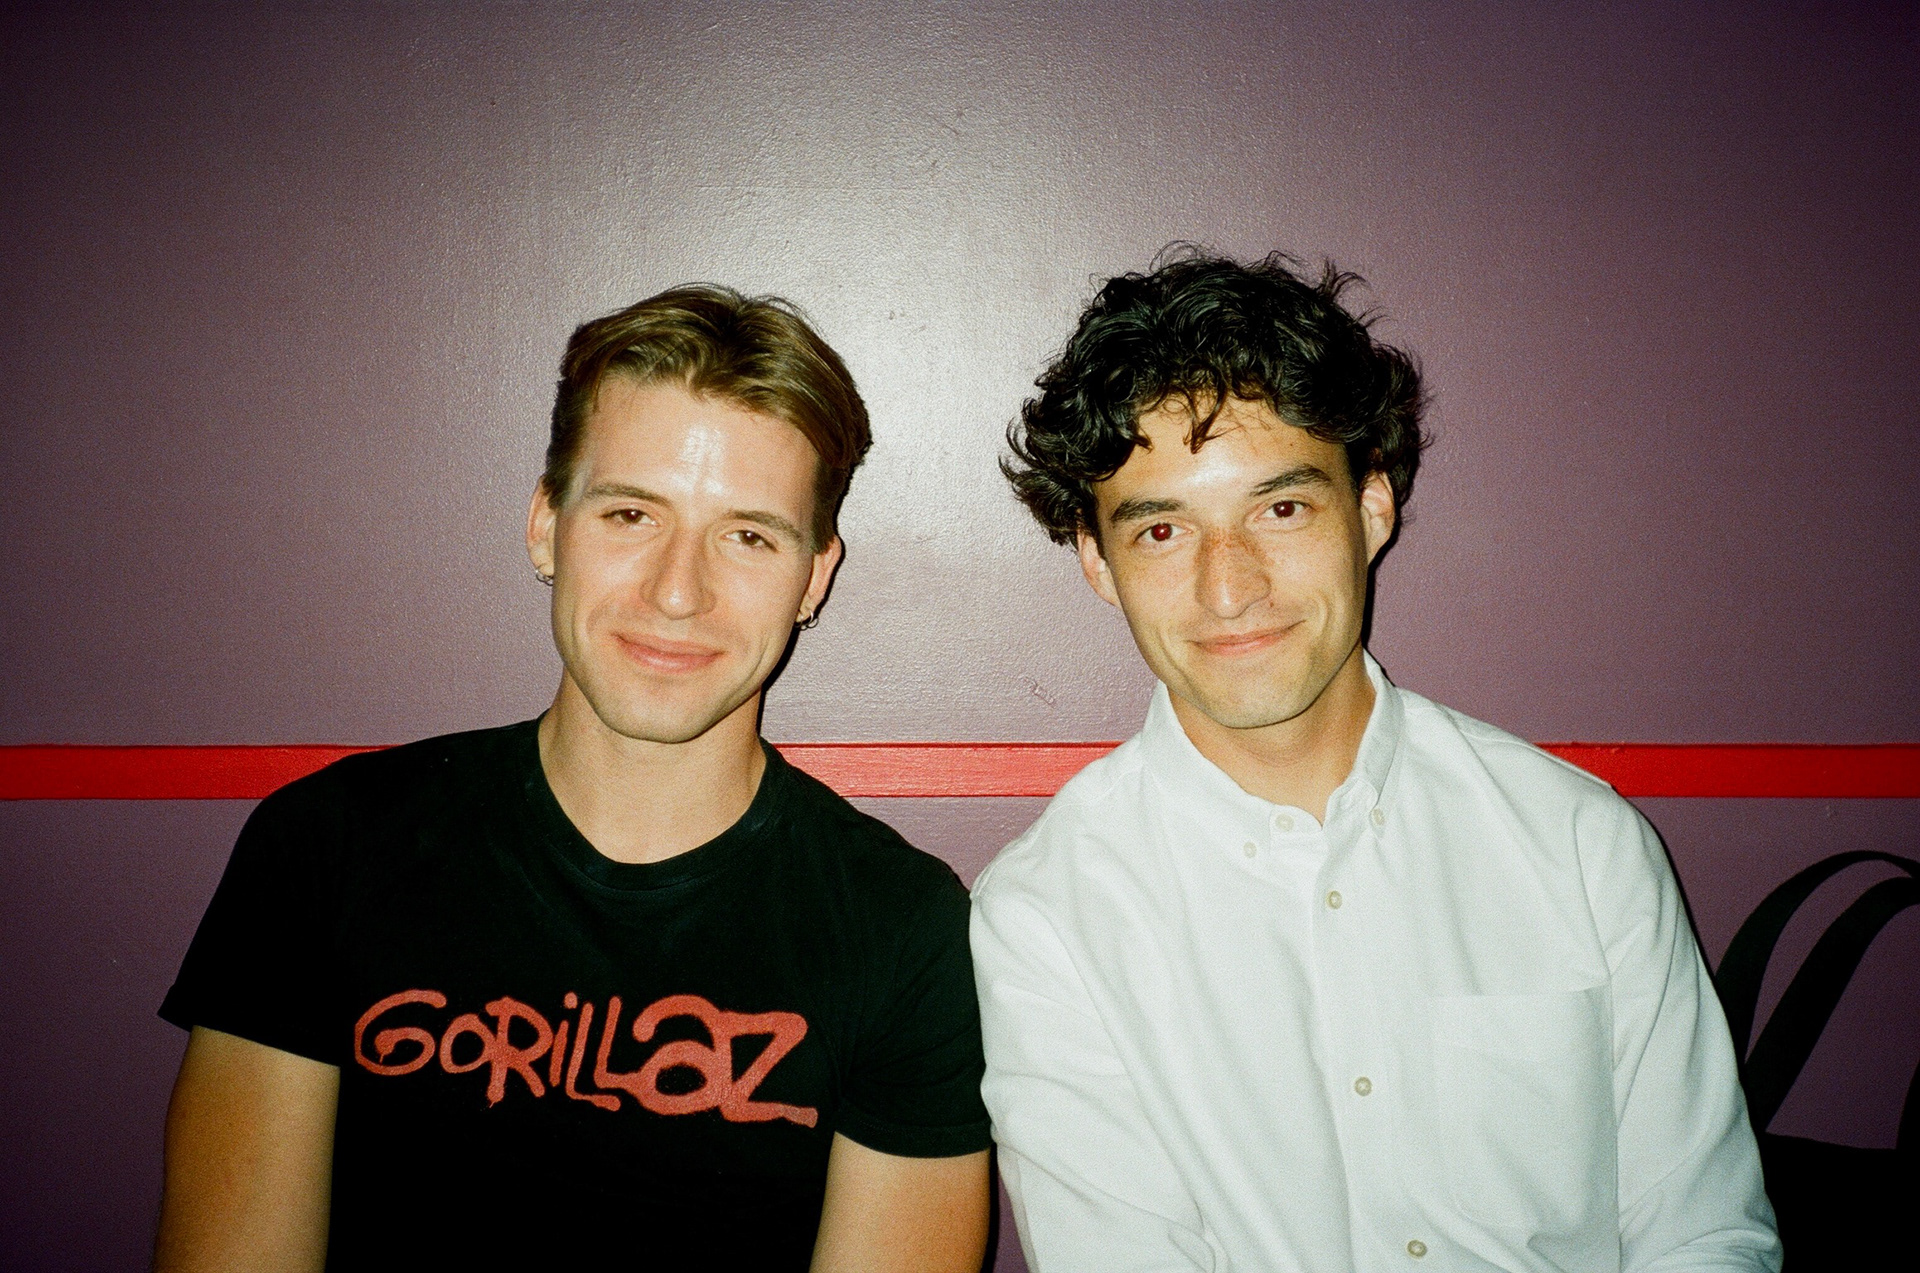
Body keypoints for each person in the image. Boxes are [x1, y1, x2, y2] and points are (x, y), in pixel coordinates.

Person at [972, 250, 1780, 1271]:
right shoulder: (1049, 915)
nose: (1230, 587)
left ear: (1372, 508)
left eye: (1281, 508)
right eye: (1164, 529)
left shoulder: (1579, 843)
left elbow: (1704, 1236)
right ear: (1099, 561)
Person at [155, 285, 992, 1271]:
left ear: (813, 577)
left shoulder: (903, 931)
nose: (677, 591)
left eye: (748, 535)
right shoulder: (327, 847)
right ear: (546, 526)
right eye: (632, 513)